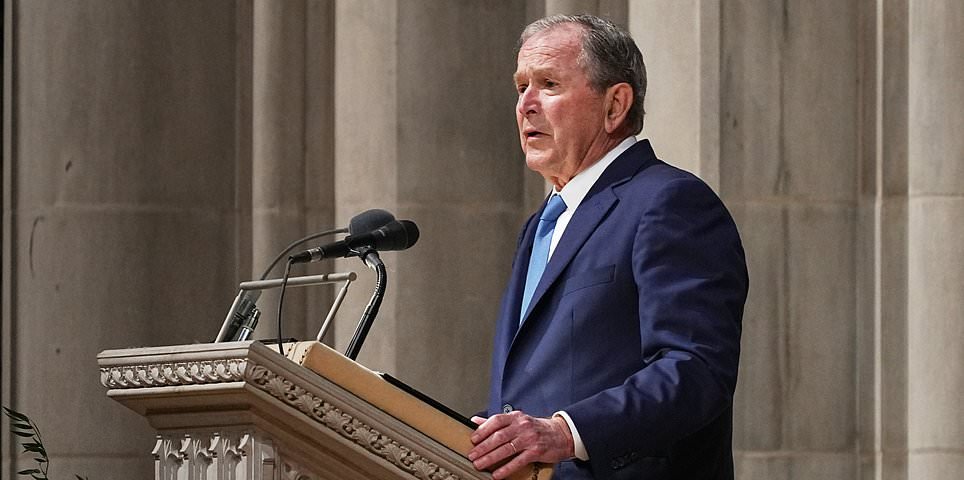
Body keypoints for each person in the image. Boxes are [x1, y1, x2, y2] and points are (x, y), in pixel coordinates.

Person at [468, 15, 748, 480]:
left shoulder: (669, 203)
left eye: (549, 85)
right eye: (521, 87)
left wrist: (567, 432)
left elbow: (696, 369)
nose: (525, 105)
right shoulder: (540, 225)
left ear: (615, 105)